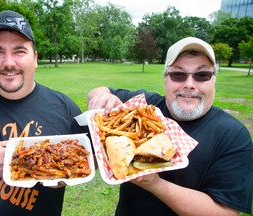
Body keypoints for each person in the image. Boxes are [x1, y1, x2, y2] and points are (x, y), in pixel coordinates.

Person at [87, 37, 253, 215]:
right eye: (178, 75)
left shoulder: (233, 136)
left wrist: (155, 184)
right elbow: (98, 91)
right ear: (166, 79)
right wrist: (103, 97)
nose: (189, 84)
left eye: (202, 75)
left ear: (214, 80)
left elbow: (226, 213)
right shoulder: (145, 106)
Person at [0, 10, 88, 215]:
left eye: (19, 51)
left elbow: (91, 159)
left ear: (35, 58)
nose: (9, 63)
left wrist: (66, 175)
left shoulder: (66, 109)